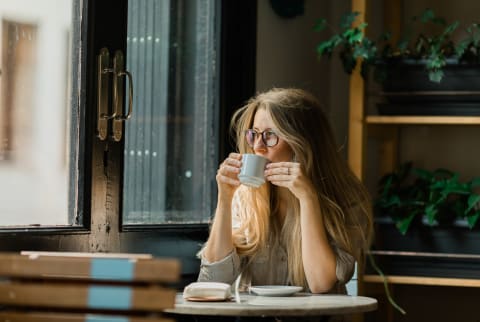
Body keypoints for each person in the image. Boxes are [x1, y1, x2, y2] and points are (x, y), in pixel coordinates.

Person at [198, 87, 373, 295]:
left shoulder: (347, 200)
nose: (258, 147)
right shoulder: (246, 198)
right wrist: (225, 199)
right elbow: (213, 281)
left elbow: (320, 283)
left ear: (303, 143)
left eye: (270, 135)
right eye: (254, 135)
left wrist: (308, 198)